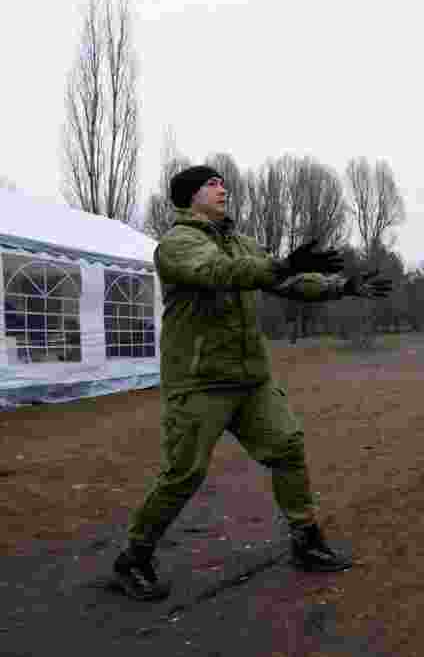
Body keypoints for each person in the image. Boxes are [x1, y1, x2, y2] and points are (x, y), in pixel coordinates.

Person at [113, 165, 393, 601]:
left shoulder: (241, 243)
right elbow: (219, 273)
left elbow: (287, 280)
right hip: (199, 380)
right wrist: (277, 265)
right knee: (183, 473)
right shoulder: (177, 243)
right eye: (211, 183)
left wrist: (344, 285)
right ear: (189, 196)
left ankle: (306, 540)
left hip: (249, 379)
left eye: (223, 182)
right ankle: (134, 557)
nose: (222, 188)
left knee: (286, 445)